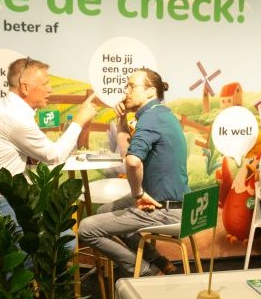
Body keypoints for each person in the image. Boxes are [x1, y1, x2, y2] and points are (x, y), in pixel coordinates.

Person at [78, 68, 189, 277]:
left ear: (150, 91)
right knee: (103, 211)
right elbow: (127, 154)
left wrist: (138, 194)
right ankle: (156, 260)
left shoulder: (150, 118)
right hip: (172, 201)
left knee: (86, 228)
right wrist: (121, 120)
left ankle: (144, 270)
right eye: (126, 86)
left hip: (165, 208)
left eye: (131, 87)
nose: (126, 91)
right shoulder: (160, 113)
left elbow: (132, 161)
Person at [0, 56, 97, 239]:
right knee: (63, 240)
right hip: (1, 200)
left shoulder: (6, 106)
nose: (50, 89)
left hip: (0, 195)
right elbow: (54, 156)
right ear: (25, 87)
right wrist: (79, 120)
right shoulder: (16, 116)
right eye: (45, 83)